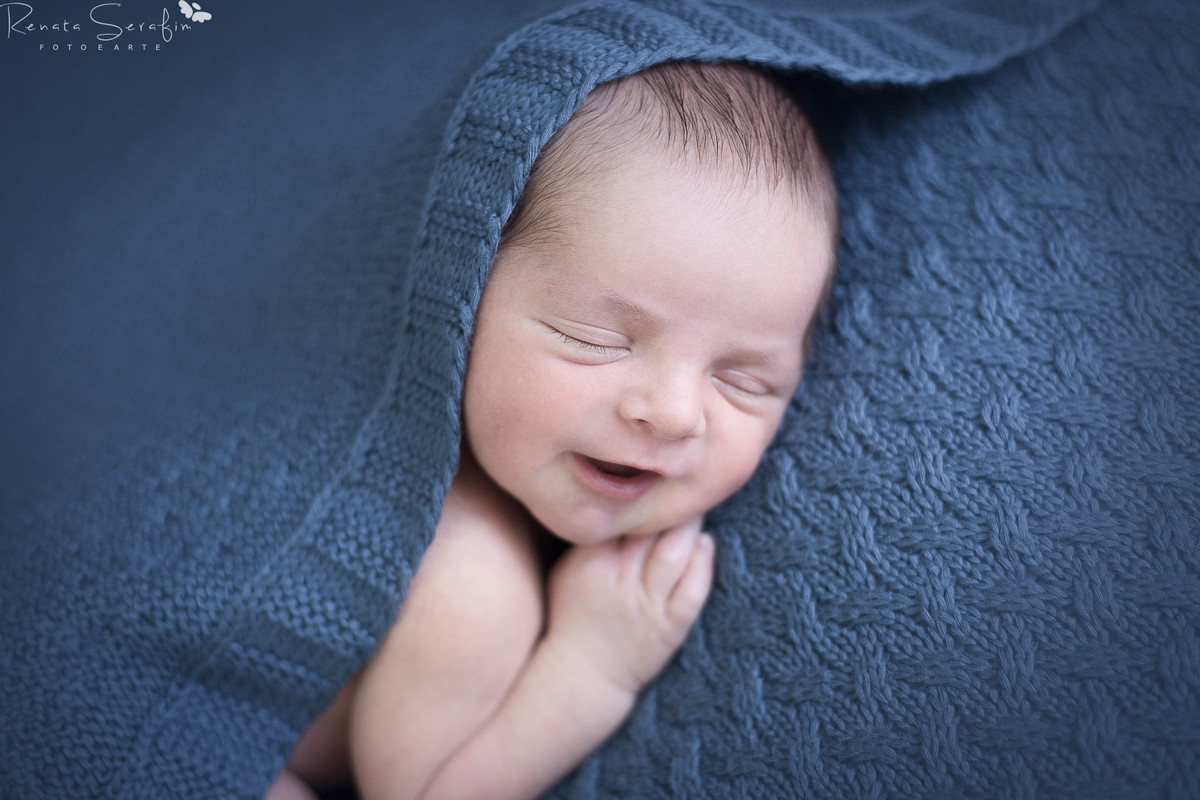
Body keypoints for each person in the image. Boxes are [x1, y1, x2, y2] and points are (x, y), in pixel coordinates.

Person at [269, 59, 839, 800]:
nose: (671, 412)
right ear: (460, 294)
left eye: (743, 382)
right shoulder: (470, 575)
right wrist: (590, 666)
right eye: (596, 338)